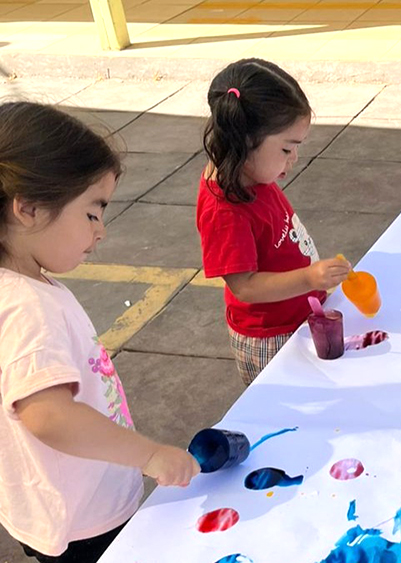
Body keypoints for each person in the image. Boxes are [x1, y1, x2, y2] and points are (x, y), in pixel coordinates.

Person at [0, 101, 200, 563]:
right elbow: (46, 414)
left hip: (59, 500)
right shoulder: (26, 306)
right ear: (28, 208)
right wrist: (149, 455)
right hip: (83, 521)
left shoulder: (26, 284)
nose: (102, 230)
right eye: (92, 213)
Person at [197, 58, 351, 385]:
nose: (293, 158)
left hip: (297, 316)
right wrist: (310, 277)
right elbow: (245, 286)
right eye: (286, 148)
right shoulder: (224, 207)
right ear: (245, 142)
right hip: (270, 338)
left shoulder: (252, 174)